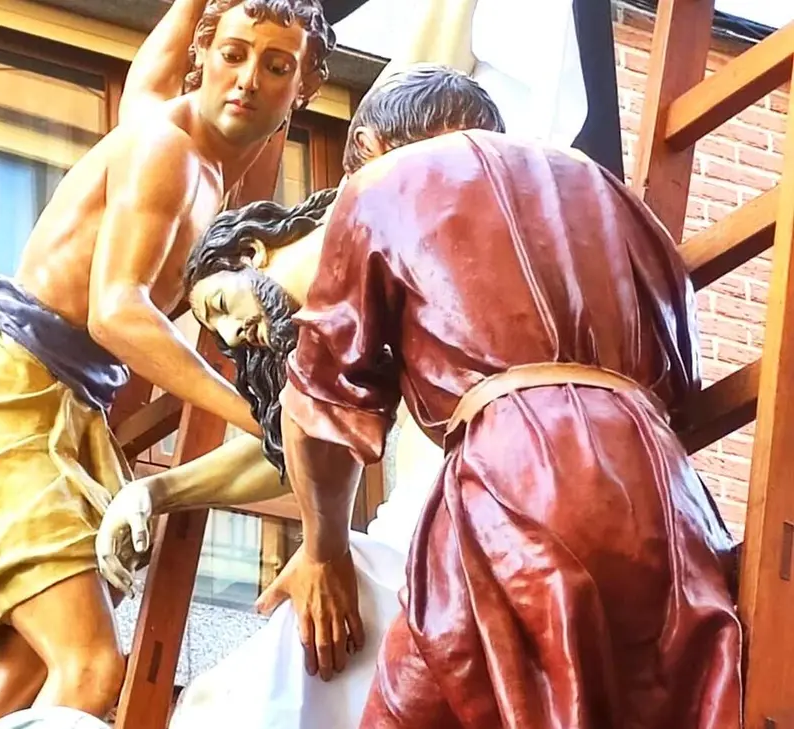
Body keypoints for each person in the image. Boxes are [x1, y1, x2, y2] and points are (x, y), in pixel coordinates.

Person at [0, 0, 336, 726]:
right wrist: (260, 414)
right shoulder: (164, 148)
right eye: (232, 54)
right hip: (7, 387)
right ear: (204, 54)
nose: (247, 78)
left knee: (35, 662)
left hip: (63, 405)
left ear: (304, 86)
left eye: (276, 65)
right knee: (92, 667)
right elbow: (117, 311)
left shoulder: (209, 168)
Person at [268, 127, 743, 726]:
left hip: (518, 473)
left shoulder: (381, 185)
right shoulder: (611, 192)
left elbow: (319, 405)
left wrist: (324, 550)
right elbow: (684, 373)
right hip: (666, 494)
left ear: (371, 142)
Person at [95, 66, 503, 729]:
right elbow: (298, 439)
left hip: (462, 534)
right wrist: (156, 492)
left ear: (255, 250)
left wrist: (324, 551)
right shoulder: (360, 294)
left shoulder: (372, 215)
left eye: (221, 303)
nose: (233, 333)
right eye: (218, 333)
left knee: (249, 693)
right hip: (436, 543)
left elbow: (313, 427)